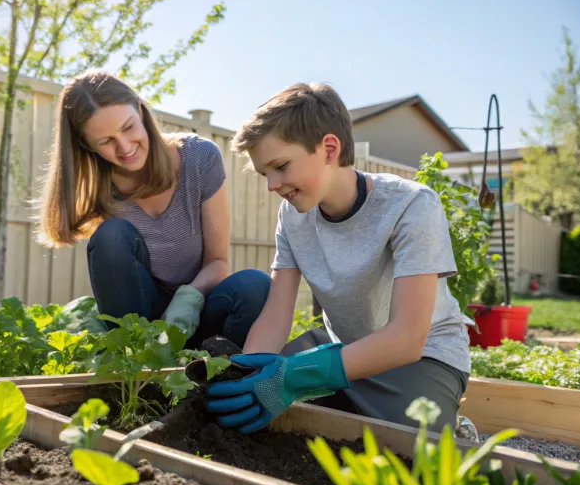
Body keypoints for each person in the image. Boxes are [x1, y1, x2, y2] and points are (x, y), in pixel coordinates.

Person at [204, 82, 471, 434]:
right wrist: (249, 373)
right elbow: (276, 312)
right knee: (265, 402)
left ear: (329, 149)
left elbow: (407, 337)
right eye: (264, 173)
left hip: (423, 356)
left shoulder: (411, 205)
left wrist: (302, 375)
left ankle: (454, 423)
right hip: (341, 348)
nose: (271, 185)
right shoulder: (293, 214)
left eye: (280, 166)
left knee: (412, 438)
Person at [37, 70, 270, 349]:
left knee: (255, 286)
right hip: (141, 322)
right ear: (88, 145)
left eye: (128, 127)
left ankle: (212, 375)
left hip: (199, 310)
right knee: (111, 235)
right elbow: (118, 275)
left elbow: (217, 262)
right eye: (106, 141)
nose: (125, 147)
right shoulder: (100, 190)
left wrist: (189, 300)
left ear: (140, 110)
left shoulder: (198, 158)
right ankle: (134, 358)